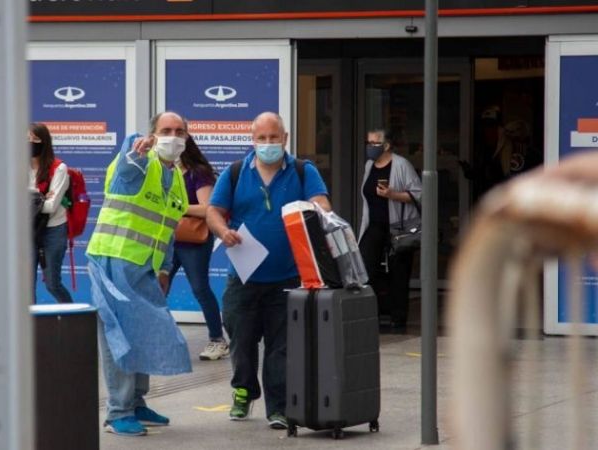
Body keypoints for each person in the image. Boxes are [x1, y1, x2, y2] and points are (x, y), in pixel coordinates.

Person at [206, 112, 331, 429]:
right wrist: (222, 232)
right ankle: (244, 391)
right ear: (252, 140)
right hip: (243, 276)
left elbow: (322, 205)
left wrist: (314, 211)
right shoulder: (235, 173)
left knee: (281, 347)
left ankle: (278, 407)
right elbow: (214, 212)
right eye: (261, 138)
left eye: (273, 138)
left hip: (288, 277)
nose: (268, 144)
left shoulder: (303, 171)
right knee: (241, 340)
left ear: (285, 138)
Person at [86, 111, 192, 437]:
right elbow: (125, 172)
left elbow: (168, 228)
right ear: (152, 134)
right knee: (119, 336)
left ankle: (136, 402)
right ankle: (118, 412)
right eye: (166, 130)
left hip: (145, 267)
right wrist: (134, 155)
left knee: (145, 332)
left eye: (179, 131)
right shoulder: (139, 163)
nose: (172, 136)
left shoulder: (175, 179)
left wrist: (163, 268)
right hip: (112, 261)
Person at [168, 135, 229, 361]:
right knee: (157, 288)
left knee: (200, 288)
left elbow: (208, 209)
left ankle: (217, 340)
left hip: (193, 240)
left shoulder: (198, 172)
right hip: (168, 239)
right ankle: (160, 338)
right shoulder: (166, 172)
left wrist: (177, 208)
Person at [357, 129, 421, 331]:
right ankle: (370, 315)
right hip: (373, 225)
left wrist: (393, 194)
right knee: (367, 269)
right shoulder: (369, 166)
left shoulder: (401, 165)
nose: (370, 147)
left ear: (386, 145)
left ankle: (398, 319)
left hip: (398, 228)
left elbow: (419, 194)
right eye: (368, 143)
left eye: (375, 143)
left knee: (399, 273)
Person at [29, 123, 73, 304]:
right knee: (25, 285)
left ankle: (72, 318)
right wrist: (40, 197)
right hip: (28, 230)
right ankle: (28, 327)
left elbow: (51, 206)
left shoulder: (59, 168)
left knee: (52, 284)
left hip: (53, 229)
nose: (30, 143)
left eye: (35, 139)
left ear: (45, 142)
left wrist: (32, 199)